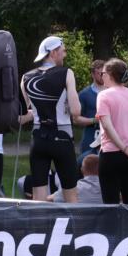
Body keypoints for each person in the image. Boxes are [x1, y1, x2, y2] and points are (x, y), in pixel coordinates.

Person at [20, 35, 93, 202]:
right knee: (71, 195)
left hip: (38, 139)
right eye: (63, 51)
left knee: (38, 196)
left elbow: (23, 114)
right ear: (53, 52)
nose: (65, 55)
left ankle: (39, 228)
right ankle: (72, 228)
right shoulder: (66, 73)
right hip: (61, 138)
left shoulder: (26, 77)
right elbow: (76, 111)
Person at [95, 58, 128, 205]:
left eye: (103, 72)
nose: (101, 75)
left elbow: (107, 125)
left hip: (112, 154)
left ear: (110, 74)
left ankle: (112, 228)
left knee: (110, 202)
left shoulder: (104, 95)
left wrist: (123, 147)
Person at [77, 59, 105, 164]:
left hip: (109, 136)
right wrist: (94, 120)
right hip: (90, 135)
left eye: (104, 73)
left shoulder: (112, 92)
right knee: (87, 164)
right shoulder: (84, 94)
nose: (102, 76)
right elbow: (76, 119)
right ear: (93, 74)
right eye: (99, 73)